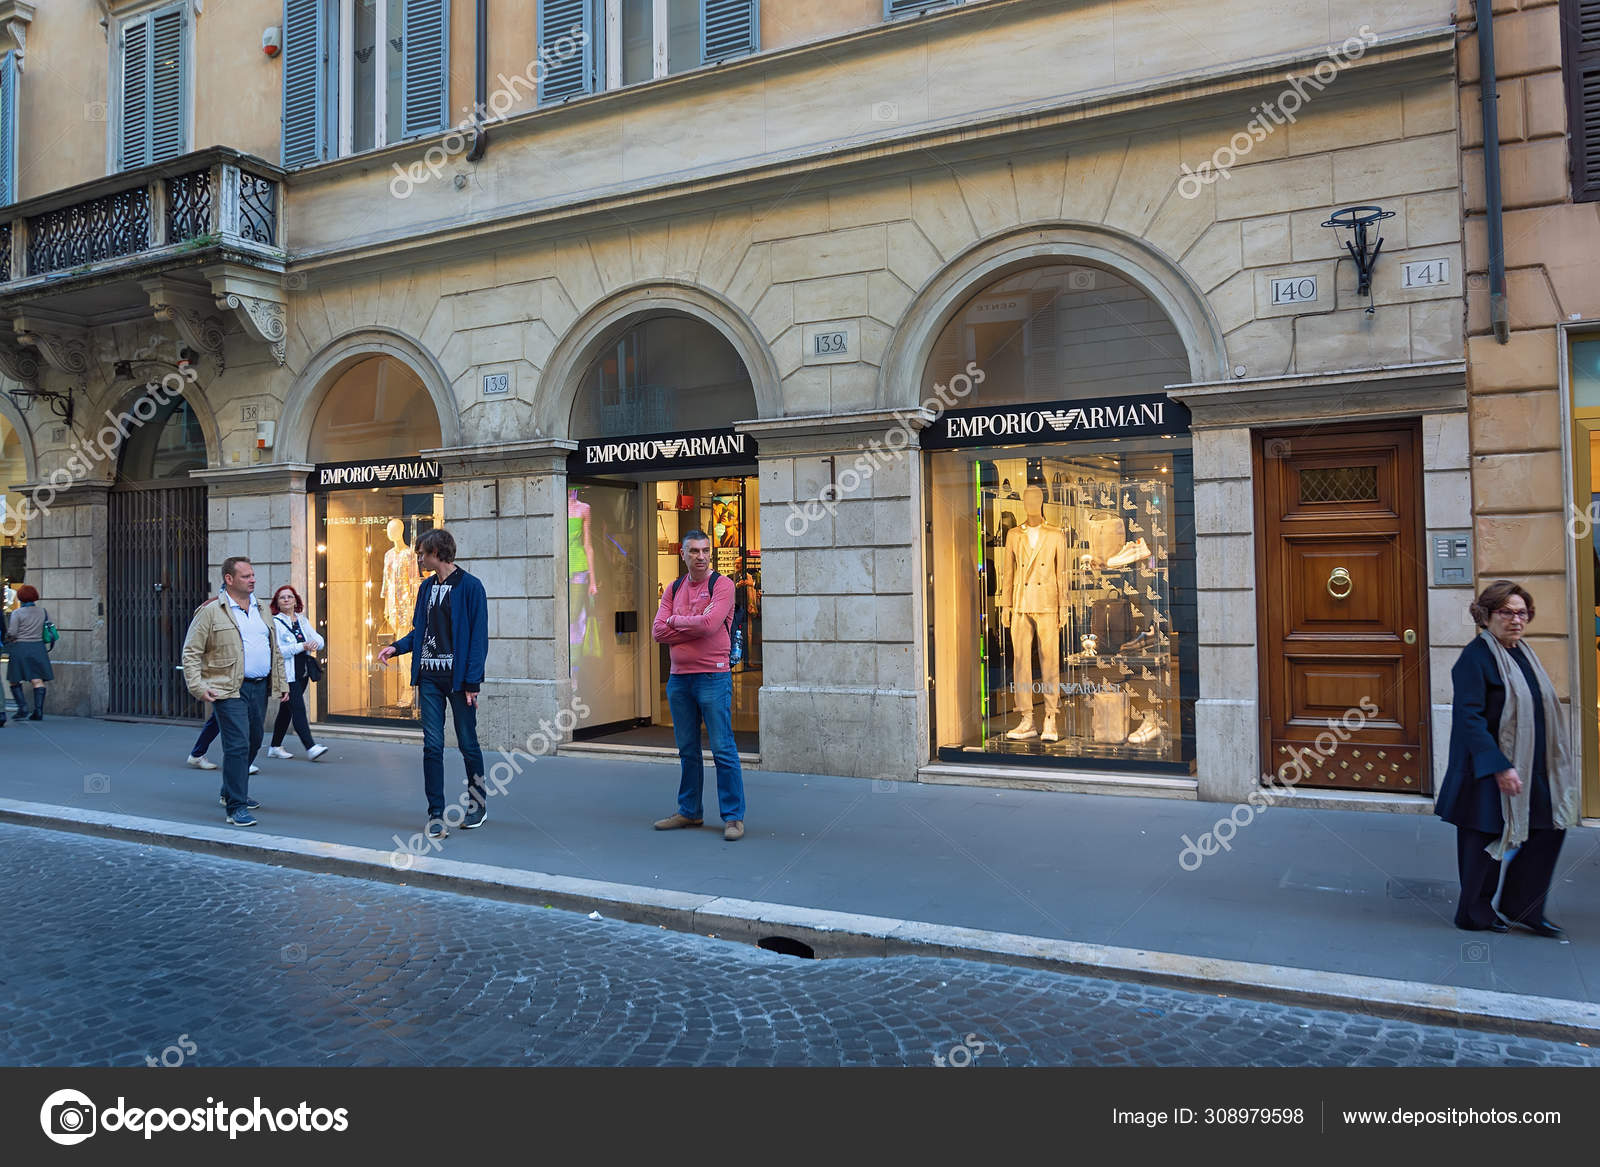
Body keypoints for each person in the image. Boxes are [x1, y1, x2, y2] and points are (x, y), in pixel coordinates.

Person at [1435, 580, 1580, 937]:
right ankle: (1473, 913)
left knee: (1550, 827)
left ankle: (1522, 905)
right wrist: (1498, 765)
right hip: (1485, 769)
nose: (1516, 620)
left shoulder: (1523, 653)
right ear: (1487, 616)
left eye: (1522, 613)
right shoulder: (1475, 657)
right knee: (1484, 841)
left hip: (1533, 766)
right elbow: (1469, 718)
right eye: (1507, 613)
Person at [377, 528, 488, 839]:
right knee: (432, 747)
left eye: (423, 553)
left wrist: (472, 682)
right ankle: (435, 813)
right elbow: (420, 632)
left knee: (468, 744)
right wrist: (396, 647)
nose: (420, 558)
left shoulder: (470, 587)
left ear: (439, 552)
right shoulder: (425, 588)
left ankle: (478, 803)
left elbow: (478, 639)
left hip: (459, 681)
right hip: (428, 677)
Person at [650, 530, 746, 840]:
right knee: (688, 750)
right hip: (679, 679)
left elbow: (709, 625)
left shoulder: (723, 585)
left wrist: (676, 621)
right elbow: (657, 632)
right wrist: (693, 624)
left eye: (705, 550)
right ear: (683, 554)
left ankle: (733, 817)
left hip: (712, 676)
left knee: (723, 748)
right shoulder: (675, 588)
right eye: (694, 551)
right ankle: (689, 812)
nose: (701, 556)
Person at [180, 557, 287, 826]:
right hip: (227, 688)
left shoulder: (262, 608)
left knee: (253, 740)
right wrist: (197, 686)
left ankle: (229, 791)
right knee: (237, 744)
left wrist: (281, 684)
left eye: (253, 575)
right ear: (229, 579)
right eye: (245, 576)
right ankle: (236, 806)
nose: (252, 580)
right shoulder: (211, 611)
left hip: (259, 686)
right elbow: (191, 651)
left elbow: (274, 650)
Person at [266, 584, 329, 761]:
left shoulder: (302, 620)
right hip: (287, 675)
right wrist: (302, 646)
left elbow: (318, 639)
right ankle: (311, 747)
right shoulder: (276, 623)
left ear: (296, 601)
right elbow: (278, 650)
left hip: (302, 674)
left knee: (286, 710)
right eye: (282, 597)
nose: (286, 599)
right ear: (277, 603)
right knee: (298, 709)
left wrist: (315, 643)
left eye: (290, 597)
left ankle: (275, 747)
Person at [6, 584, 53, 720]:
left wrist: (9, 637)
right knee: (37, 680)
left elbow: (13, 632)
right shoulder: (43, 611)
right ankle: (38, 711)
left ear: (21, 597)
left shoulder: (17, 613)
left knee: (14, 680)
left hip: (20, 648)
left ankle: (23, 708)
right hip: (38, 648)